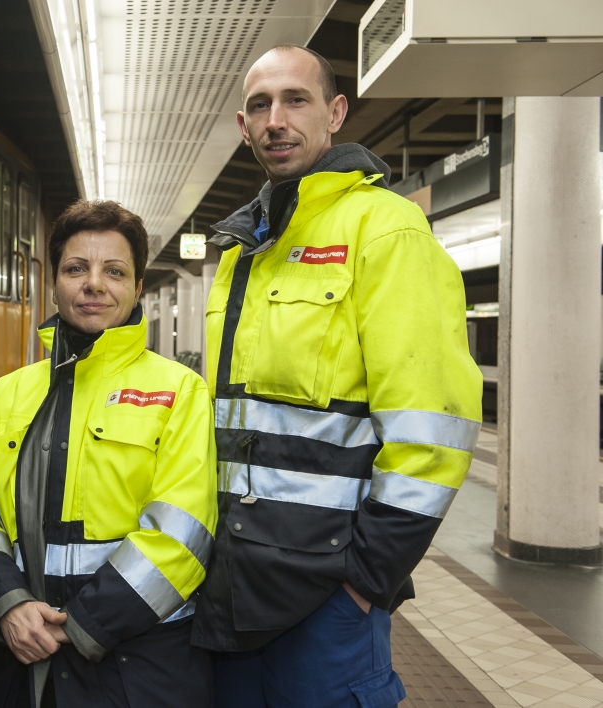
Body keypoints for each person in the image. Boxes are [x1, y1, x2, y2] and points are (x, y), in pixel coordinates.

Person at [191, 44, 483, 708]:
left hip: (327, 591)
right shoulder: (245, 251)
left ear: (335, 113)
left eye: (297, 100)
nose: (276, 120)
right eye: (260, 106)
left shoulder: (384, 230)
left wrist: (367, 578)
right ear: (243, 126)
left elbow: (433, 427)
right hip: (233, 579)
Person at [0, 200, 217, 708]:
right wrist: (8, 605)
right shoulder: (6, 395)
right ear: (55, 283)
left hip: (137, 664)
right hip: (19, 658)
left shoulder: (180, 392)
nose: (94, 284)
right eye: (76, 268)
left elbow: (182, 534)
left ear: (137, 288)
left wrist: (82, 624)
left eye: (114, 271)